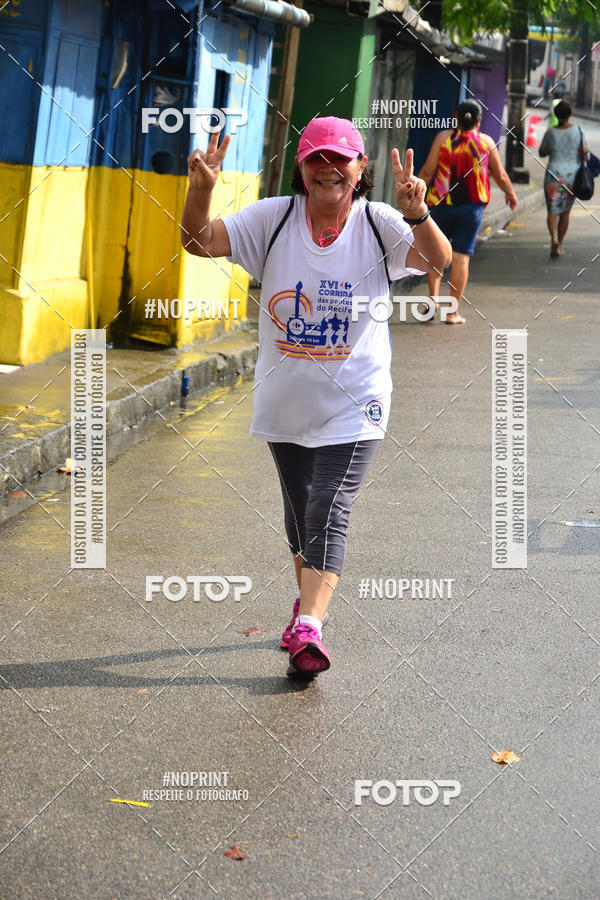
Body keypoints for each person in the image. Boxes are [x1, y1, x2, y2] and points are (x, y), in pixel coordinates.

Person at [180, 117, 451, 677]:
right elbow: (197, 241)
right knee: (300, 513)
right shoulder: (274, 218)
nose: (328, 169)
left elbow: (436, 261)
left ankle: (310, 627)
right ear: (301, 169)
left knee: (329, 505)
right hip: (286, 404)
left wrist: (418, 213)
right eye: (316, 159)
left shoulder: (380, 222)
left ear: (360, 168)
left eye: (340, 160)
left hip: (358, 401)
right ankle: (306, 602)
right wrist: (200, 192)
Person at [417, 99, 518, 324]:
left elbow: (427, 171)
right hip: (471, 208)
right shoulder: (486, 142)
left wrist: (414, 196)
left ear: (456, 118)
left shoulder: (443, 139)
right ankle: (452, 313)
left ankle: (433, 301)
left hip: (441, 205)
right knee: (461, 258)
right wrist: (510, 194)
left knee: (435, 252)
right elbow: (500, 175)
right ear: (479, 121)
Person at [539, 99, 587, 257]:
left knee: (552, 210)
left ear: (556, 114)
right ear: (570, 114)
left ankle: (553, 239)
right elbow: (584, 152)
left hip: (553, 174)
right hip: (571, 177)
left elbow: (542, 152)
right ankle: (559, 245)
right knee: (565, 211)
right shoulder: (578, 131)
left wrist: (553, 149)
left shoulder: (550, 132)